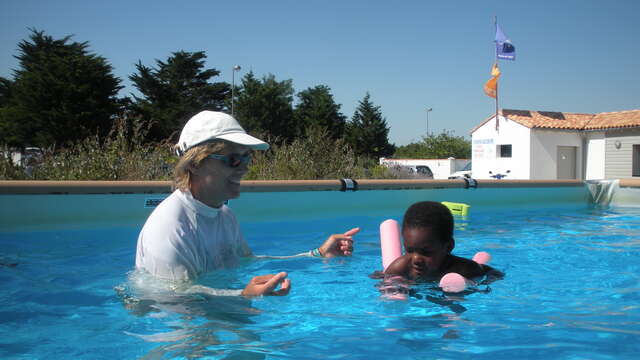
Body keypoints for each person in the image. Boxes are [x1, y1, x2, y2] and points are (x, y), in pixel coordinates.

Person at [135, 110, 359, 296]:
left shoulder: (224, 215)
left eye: (246, 157)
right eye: (232, 159)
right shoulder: (171, 229)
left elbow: (247, 262)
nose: (243, 167)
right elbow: (173, 301)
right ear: (194, 164)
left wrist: (317, 254)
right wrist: (242, 297)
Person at [384, 201, 501, 282]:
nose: (416, 259)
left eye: (426, 252)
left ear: (449, 246)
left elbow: (494, 274)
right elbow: (384, 282)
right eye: (409, 250)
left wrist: (480, 286)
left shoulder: (462, 268)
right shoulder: (400, 268)